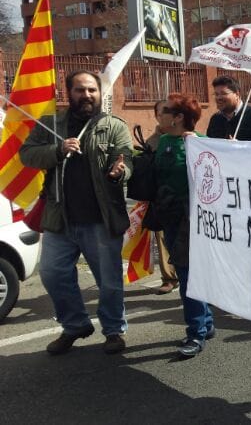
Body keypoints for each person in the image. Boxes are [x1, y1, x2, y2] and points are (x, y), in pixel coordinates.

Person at [19, 71, 133, 355]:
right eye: (81, 90)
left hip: (101, 219)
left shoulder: (112, 126)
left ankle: (114, 330)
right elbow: (27, 154)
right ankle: (75, 325)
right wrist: (57, 150)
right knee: (52, 274)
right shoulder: (52, 124)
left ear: (99, 93)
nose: (87, 96)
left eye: (92, 90)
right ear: (68, 92)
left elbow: (127, 159)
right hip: (61, 219)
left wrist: (121, 172)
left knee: (108, 281)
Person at [151, 93, 215, 357]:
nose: (160, 114)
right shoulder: (163, 140)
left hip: (194, 220)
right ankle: (206, 322)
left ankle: (196, 332)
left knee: (188, 275)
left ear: (178, 118)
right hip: (171, 217)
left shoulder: (203, 144)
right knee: (187, 271)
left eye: (165, 111)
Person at [148, 100, 179, 295]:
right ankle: (169, 277)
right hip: (161, 199)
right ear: (157, 116)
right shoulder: (152, 142)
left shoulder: (186, 137)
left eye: (170, 111)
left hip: (183, 200)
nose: (165, 115)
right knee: (163, 238)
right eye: (162, 112)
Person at [206, 76, 251, 141]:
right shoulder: (215, 119)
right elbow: (210, 147)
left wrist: (241, 147)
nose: (219, 98)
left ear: (237, 94)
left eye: (223, 93)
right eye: (216, 94)